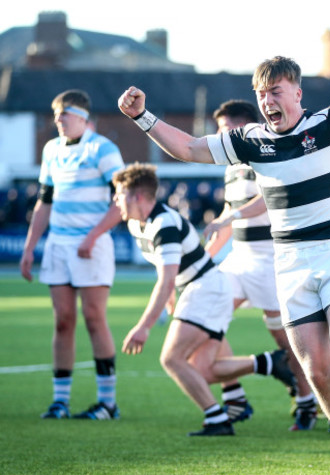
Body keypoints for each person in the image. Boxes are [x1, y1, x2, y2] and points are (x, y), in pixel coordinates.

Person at [118, 7, 330, 475]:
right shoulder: (250, 141)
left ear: (297, 92)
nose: (268, 100)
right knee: (317, 371)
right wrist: (142, 117)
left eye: (276, 91)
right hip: (290, 264)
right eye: (262, 94)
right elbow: (188, 148)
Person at [113, 163, 296, 436]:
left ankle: (217, 418)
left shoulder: (164, 223)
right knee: (202, 370)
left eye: (119, 194)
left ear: (137, 196)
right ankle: (268, 363)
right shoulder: (136, 225)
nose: (115, 200)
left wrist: (144, 327)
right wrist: (172, 299)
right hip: (203, 290)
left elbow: (166, 280)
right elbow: (165, 272)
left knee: (171, 359)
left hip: (206, 290)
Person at [204, 99, 314, 431]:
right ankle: (235, 398)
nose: (221, 137)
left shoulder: (264, 154)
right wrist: (200, 261)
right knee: (207, 316)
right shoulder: (230, 167)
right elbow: (227, 218)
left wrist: (232, 216)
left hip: (270, 260)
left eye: (226, 131)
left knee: (290, 343)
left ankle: (308, 402)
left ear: (243, 129)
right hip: (239, 257)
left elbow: (265, 199)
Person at [20, 89, 124, 420]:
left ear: (82, 116)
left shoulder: (103, 148)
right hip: (58, 246)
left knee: (94, 319)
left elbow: (122, 200)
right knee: (63, 321)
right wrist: (29, 247)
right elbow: (45, 201)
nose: (59, 121)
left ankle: (107, 403)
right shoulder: (51, 149)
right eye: (56, 116)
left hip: (91, 246)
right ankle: (60, 402)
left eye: (64, 114)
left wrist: (93, 236)